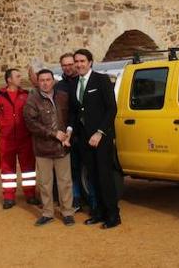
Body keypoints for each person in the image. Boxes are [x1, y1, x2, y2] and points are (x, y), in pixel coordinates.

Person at [69, 49, 120, 229]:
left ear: (90, 62)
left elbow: (111, 109)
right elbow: (76, 112)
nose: (79, 64)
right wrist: (70, 131)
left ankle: (113, 215)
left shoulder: (101, 80)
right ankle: (98, 212)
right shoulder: (75, 83)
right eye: (76, 61)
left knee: (105, 177)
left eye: (82, 61)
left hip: (101, 138)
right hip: (84, 139)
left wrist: (100, 132)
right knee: (92, 177)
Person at [23, 69, 75, 226]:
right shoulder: (32, 101)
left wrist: (68, 134)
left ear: (53, 81)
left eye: (48, 79)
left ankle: (67, 212)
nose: (45, 83)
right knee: (45, 183)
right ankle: (47, 213)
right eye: (42, 80)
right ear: (38, 82)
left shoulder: (63, 97)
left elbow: (70, 117)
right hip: (43, 148)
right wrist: (53, 133)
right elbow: (31, 124)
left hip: (62, 147)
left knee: (65, 182)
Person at [0, 68, 39, 209]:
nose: (20, 78)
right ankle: (9, 197)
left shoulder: (26, 95)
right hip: (7, 139)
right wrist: (4, 123)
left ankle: (30, 195)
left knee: (28, 168)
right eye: (17, 76)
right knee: (7, 168)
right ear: (9, 79)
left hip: (25, 138)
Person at [56, 52, 94, 212]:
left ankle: (94, 203)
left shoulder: (85, 81)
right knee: (72, 169)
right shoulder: (59, 86)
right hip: (68, 134)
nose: (68, 67)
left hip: (86, 132)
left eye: (70, 64)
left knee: (90, 168)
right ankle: (75, 200)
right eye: (64, 65)